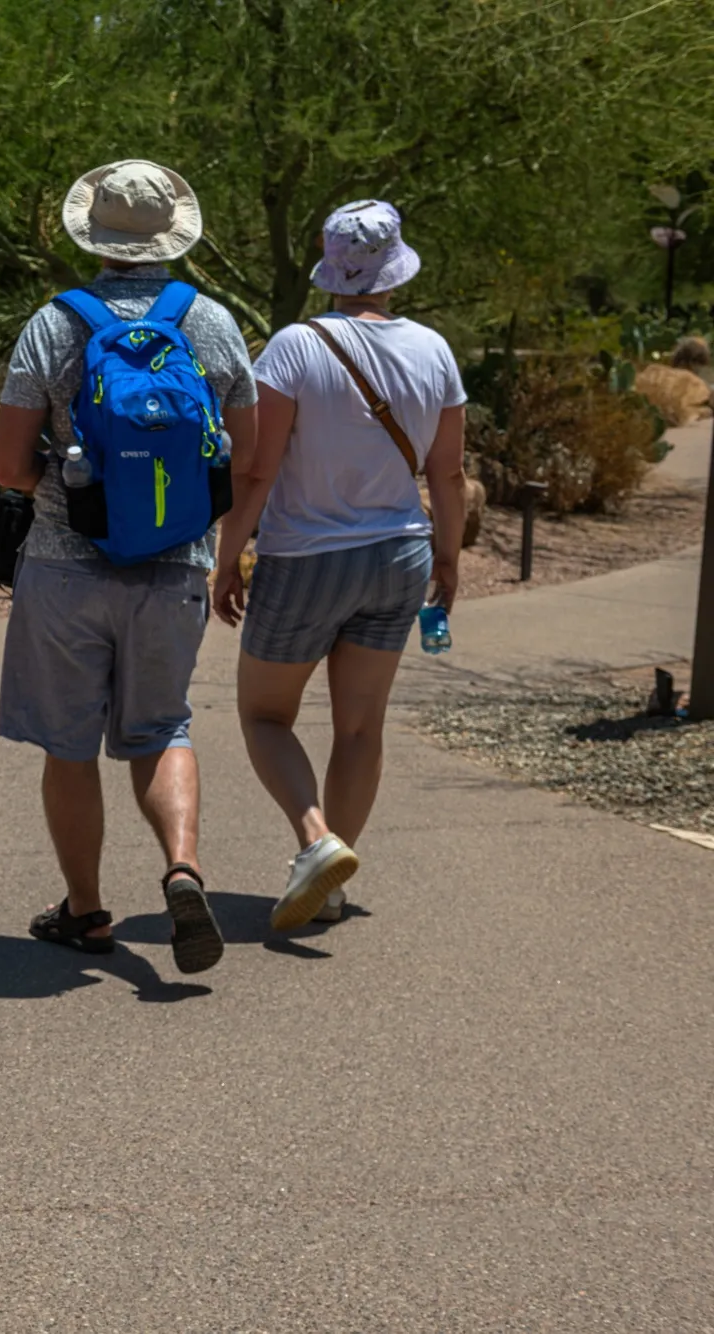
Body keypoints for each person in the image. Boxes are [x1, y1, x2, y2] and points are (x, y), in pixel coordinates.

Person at [0, 160, 259, 974]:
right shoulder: (210, 323)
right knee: (160, 728)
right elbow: (244, 456)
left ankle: (86, 911)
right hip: (175, 568)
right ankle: (182, 867)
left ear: (94, 234)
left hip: (67, 567)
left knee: (69, 746)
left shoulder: (55, 323)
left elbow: (7, 462)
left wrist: (63, 501)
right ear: (170, 236)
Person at [211, 200, 467, 931]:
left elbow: (257, 469)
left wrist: (229, 558)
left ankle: (316, 841)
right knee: (360, 728)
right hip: (400, 555)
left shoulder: (294, 345)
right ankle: (335, 880)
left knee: (265, 714)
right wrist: (447, 557)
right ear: (394, 270)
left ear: (330, 267)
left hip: (305, 558)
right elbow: (447, 475)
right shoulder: (434, 350)